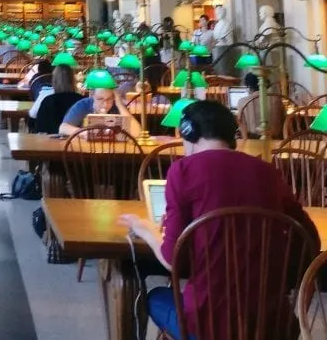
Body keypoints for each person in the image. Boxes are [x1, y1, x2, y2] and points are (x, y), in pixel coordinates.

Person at [119, 100, 319, 340]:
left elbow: (174, 261)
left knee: (154, 297)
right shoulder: (267, 171)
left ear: (187, 132)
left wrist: (145, 228)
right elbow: (309, 241)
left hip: (208, 325)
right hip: (273, 324)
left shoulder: (182, 171)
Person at [59, 86, 141, 136]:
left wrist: (119, 104)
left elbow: (137, 132)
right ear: (92, 95)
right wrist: (85, 133)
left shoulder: (116, 106)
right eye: (100, 99)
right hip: (86, 155)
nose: (105, 105)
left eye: (109, 99)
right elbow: (63, 128)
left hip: (112, 156)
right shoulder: (83, 105)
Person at [29, 65, 84, 134]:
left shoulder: (47, 101)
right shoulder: (82, 101)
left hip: (48, 143)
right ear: (73, 80)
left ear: (54, 80)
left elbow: (39, 128)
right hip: (75, 142)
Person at [235, 72, 285, 138]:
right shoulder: (277, 99)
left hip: (252, 141)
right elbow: (283, 120)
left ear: (249, 86)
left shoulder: (242, 101)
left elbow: (242, 125)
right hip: (277, 139)